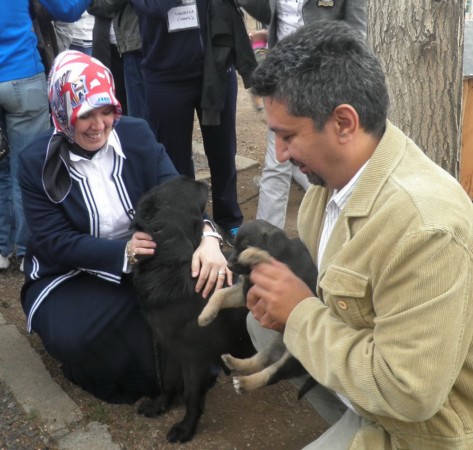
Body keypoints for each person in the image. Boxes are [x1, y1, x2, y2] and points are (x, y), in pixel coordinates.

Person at [246, 21, 473, 449]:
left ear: (344, 123)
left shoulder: (425, 227)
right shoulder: (330, 185)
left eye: (287, 136)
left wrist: (298, 312)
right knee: (256, 324)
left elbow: (410, 396)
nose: (279, 155)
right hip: (378, 397)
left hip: (425, 431)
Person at [18, 50, 231, 404]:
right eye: (85, 113)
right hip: (71, 271)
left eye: (107, 111)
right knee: (77, 335)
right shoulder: (34, 163)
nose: (99, 125)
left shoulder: (137, 135)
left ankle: (179, 372)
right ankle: (133, 375)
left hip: (146, 259)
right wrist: (124, 252)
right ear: (62, 112)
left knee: (206, 279)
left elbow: (176, 192)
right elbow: (54, 242)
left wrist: (209, 236)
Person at [130, 0, 257, 245]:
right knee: (175, 160)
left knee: (222, 150)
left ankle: (229, 221)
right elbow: (154, 7)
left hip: (215, 66)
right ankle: (189, 225)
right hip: (165, 75)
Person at [241, 0, 366, 230]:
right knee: (276, 163)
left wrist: (344, 85)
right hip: (282, 81)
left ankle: (333, 233)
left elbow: (356, 34)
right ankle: (264, 242)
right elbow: (266, 14)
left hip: (323, 84)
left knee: (323, 160)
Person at [0, 0, 90, 271]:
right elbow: (68, 10)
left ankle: (2, 249)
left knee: (1, 169)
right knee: (29, 168)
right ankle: (30, 250)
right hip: (22, 74)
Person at [87, 0, 149, 123]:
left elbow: (102, 5)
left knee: (138, 118)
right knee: (114, 114)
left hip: (136, 46)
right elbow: (95, 6)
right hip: (107, 47)